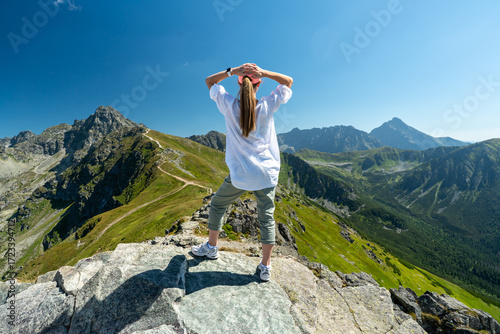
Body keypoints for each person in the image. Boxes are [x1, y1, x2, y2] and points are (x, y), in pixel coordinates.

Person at [191, 63, 293, 281]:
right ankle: (265, 266)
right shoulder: (267, 105)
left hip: (240, 175)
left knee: (218, 204)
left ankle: (211, 247)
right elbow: (288, 82)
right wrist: (264, 73)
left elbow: (209, 81)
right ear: (258, 84)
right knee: (266, 218)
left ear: (239, 83)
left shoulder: (228, 105)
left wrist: (232, 71)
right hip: (266, 173)